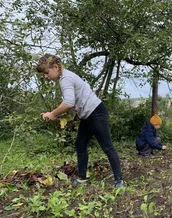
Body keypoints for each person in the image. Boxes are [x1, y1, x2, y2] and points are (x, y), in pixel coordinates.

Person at [37, 54, 124, 188]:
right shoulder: (64, 78)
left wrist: (53, 113)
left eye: (47, 72)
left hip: (96, 112)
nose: (46, 76)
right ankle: (82, 179)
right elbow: (72, 104)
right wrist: (60, 116)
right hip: (88, 115)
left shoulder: (66, 79)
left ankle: (119, 181)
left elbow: (68, 102)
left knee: (107, 146)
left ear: (55, 67)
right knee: (80, 143)